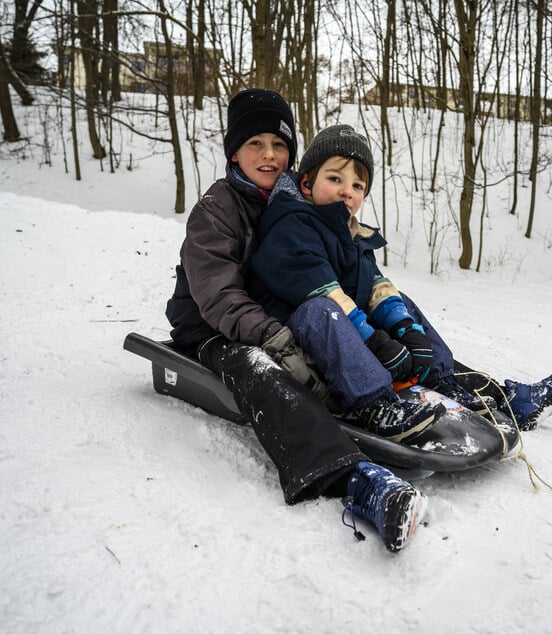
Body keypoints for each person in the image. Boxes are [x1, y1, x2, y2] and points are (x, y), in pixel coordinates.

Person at [165, 89, 426, 552]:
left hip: (279, 317)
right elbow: (220, 297)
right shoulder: (217, 209)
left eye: (279, 145)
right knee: (257, 367)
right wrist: (277, 339)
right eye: (255, 144)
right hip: (213, 327)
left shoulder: (296, 199)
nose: (269, 155)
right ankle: (355, 480)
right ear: (234, 152)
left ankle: (464, 387)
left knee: (383, 312)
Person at [248, 124, 552, 437]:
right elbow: (321, 290)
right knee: (320, 310)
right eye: (335, 179)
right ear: (307, 183)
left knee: (398, 299)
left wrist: (406, 328)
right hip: (301, 340)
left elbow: (374, 285)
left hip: (342, 331)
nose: (347, 191)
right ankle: (375, 405)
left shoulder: (350, 232)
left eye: (358, 186)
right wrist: (373, 340)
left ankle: (443, 380)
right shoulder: (292, 225)